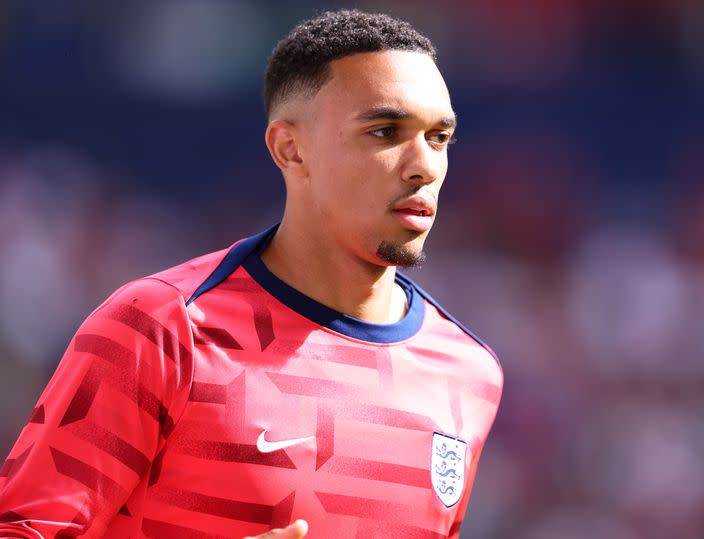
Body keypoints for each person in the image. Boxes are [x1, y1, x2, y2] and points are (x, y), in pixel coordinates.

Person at [0, 9, 503, 539]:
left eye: (439, 137)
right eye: (385, 131)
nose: (423, 164)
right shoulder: (163, 327)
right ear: (291, 149)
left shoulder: (468, 374)